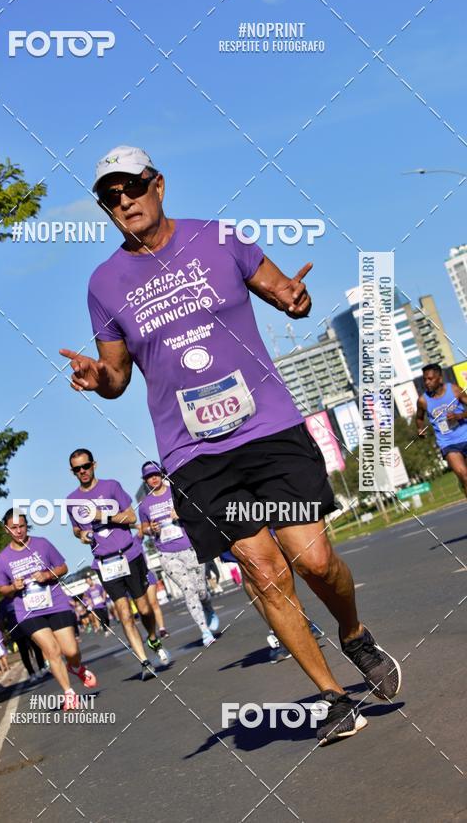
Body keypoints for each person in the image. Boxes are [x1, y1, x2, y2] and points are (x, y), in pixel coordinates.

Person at [60, 145, 401, 744]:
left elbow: (285, 294)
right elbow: (117, 378)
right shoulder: (105, 283)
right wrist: (99, 378)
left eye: (131, 189)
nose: (123, 203)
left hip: (268, 426)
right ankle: (330, 695)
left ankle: (352, 633)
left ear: (158, 185)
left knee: (316, 560)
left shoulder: (219, 238)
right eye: (109, 197)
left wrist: (297, 300)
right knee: (265, 573)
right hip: (195, 453)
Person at [67, 449, 169, 679]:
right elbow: (76, 529)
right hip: (105, 563)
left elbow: (131, 518)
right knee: (124, 614)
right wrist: (81, 535)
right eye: (77, 469)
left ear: (94, 465)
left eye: (85, 466)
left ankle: (152, 638)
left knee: (144, 609)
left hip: (129, 555)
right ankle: (144, 662)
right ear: (72, 472)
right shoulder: (72, 500)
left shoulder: (111, 486)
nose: (82, 471)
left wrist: (101, 516)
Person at [0, 510, 96, 708]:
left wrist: (47, 574)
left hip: (56, 603)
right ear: (7, 529)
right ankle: (69, 693)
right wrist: (13, 587)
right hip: (28, 611)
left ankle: (76, 667)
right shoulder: (3, 559)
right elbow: (0, 588)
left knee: (71, 650)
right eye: (13, 528)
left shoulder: (42, 544)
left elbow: (63, 567)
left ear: (26, 526)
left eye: (21, 526)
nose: (18, 531)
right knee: (52, 651)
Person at [138, 460, 219, 646]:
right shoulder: (145, 505)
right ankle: (204, 631)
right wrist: (151, 528)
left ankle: (208, 607)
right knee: (188, 590)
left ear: (162, 474)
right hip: (167, 554)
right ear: (145, 480)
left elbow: (196, 511)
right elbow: (144, 529)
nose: (154, 479)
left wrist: (181, 512)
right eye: (150, 477)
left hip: (190, 547)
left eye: (156, 474)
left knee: (200, 590)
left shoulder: (175, 491)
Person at [416, 364, 467, 497]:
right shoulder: (423, 401)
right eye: (425, 380)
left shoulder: (455, 390)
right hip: (448, 443)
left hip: (465, 435)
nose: (427, 383)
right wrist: (420, 429)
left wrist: (459, 416)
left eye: (430, 379)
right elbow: (419, 418)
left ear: (439, 378)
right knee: (464, 476)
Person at [0, 596, 47, 683]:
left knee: (36, 647)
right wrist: (2, 633)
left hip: (29, 625)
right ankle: (31, 673)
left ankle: (42, 668)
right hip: (16, 630)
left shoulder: (21, 595)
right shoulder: (3, 604)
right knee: (24, 652)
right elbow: (1, 620)